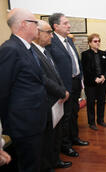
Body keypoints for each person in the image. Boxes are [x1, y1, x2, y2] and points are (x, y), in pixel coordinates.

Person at [0, 8, 47, 172]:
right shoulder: (10, 49)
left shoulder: (27, 48)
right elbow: (2, 92)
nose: (38, 27)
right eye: (35, 22)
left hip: (35, 121)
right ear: (24, 25)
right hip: (24, 125)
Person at [47, 13, 89, 159]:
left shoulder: (69, 41)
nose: (69, 25)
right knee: (65, 117)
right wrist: (60, 88)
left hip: (76, 83)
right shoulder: (50, 42)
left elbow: (76, 61)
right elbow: (50, 69)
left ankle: (74, 138)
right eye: (65, 23)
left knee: (74, 113)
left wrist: (81, 80)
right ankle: (65, 146)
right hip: (64, 86)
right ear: (55, 26)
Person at [32, 20, 71, 170]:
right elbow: (44, 78)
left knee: (55, 135)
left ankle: (55, 161)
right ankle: (50, 165)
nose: (51, 36)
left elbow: (56, 74)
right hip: (47, 101)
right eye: (48, 32)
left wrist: (63, 89)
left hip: (57, 100)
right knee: (48, 138)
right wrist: (62, 91)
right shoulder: (33, 52)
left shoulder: (45, 50)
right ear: (37, 33)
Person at [81, 33, 106, 131]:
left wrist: (104, 76)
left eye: (99, 41)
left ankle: (100, 120)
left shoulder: (103, 53)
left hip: (102, 82)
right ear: (90, 43)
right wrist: (94, 78)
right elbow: (86, 69)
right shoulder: (85, 54)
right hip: (91, 83)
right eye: (95, 41)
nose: (98, 43)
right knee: (91, 103)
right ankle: (91, 122)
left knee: (101, 102)